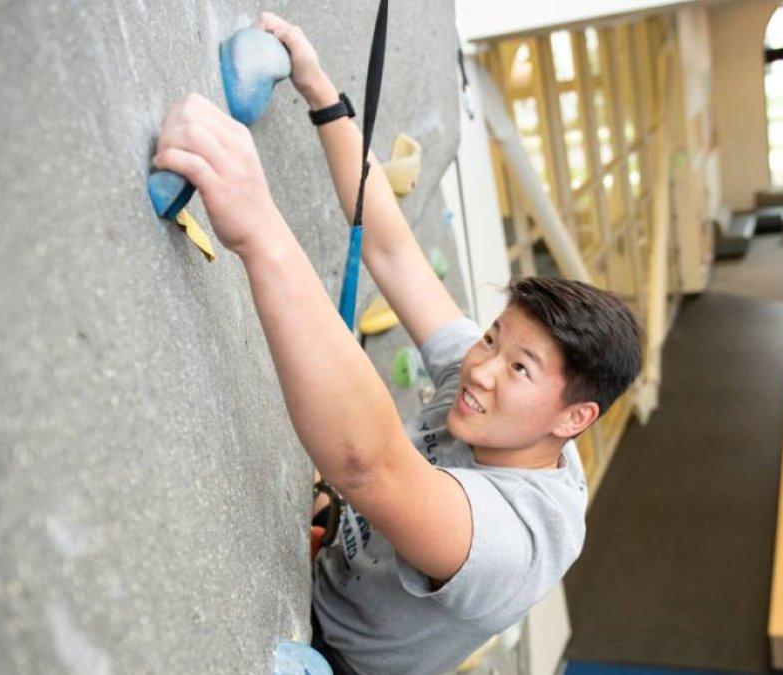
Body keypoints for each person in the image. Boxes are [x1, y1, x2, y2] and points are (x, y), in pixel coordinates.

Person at [152, 13, 643, 674]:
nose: (480, 369)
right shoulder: (498, 394)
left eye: (519, 366)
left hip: (347, 659)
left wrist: (258, 229)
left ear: (573, 418)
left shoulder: (512, 541)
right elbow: (393, 251)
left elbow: (368, 463)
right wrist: (323, 93)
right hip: (340, 564)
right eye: (494, 338)